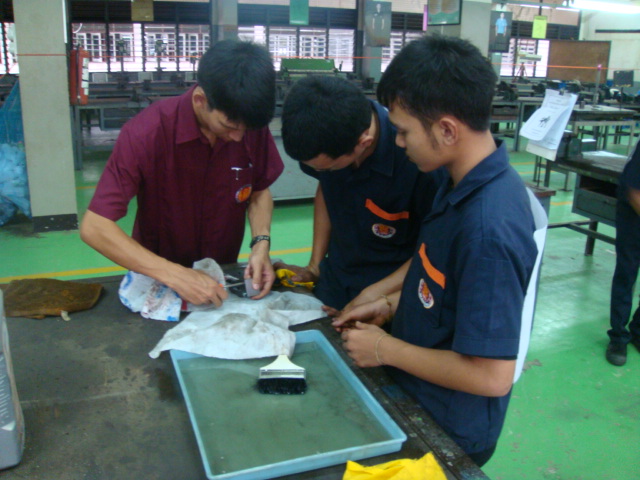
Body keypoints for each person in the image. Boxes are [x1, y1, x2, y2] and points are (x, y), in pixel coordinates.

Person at [332, 34, 538, 466]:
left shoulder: (489, 230)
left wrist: (384, 350)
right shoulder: (455, 180)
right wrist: (390, 304)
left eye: (404, 131)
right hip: (418, 392)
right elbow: (441, 280)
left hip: (449, 429)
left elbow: (492, 376)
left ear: (446, 130)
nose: (398, 142)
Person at [80, 40, 284, 307]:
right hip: (158, 281)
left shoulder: (246, 123)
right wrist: (176, 275)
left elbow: (259, 190)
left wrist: (261, 243)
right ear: (200, 100)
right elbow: (95, 227)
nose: (238, 137)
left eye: (246, 129)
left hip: (221, 277)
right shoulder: (146, 133)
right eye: (229, 126)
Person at [277, 75, 441, 311]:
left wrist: (375, 296)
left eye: (328, 168)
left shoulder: (418, 162)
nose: (320, 172)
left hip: (392, 294)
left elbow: (434, 248)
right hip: (337, 277)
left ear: (363, 143)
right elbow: (326, 190)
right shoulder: (325, 139)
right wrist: (314, 266)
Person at [606, 141, 640, 366]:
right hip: (634, 215)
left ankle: (638, 329)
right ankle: (618, 337)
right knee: (627, 274)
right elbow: (634, 191)